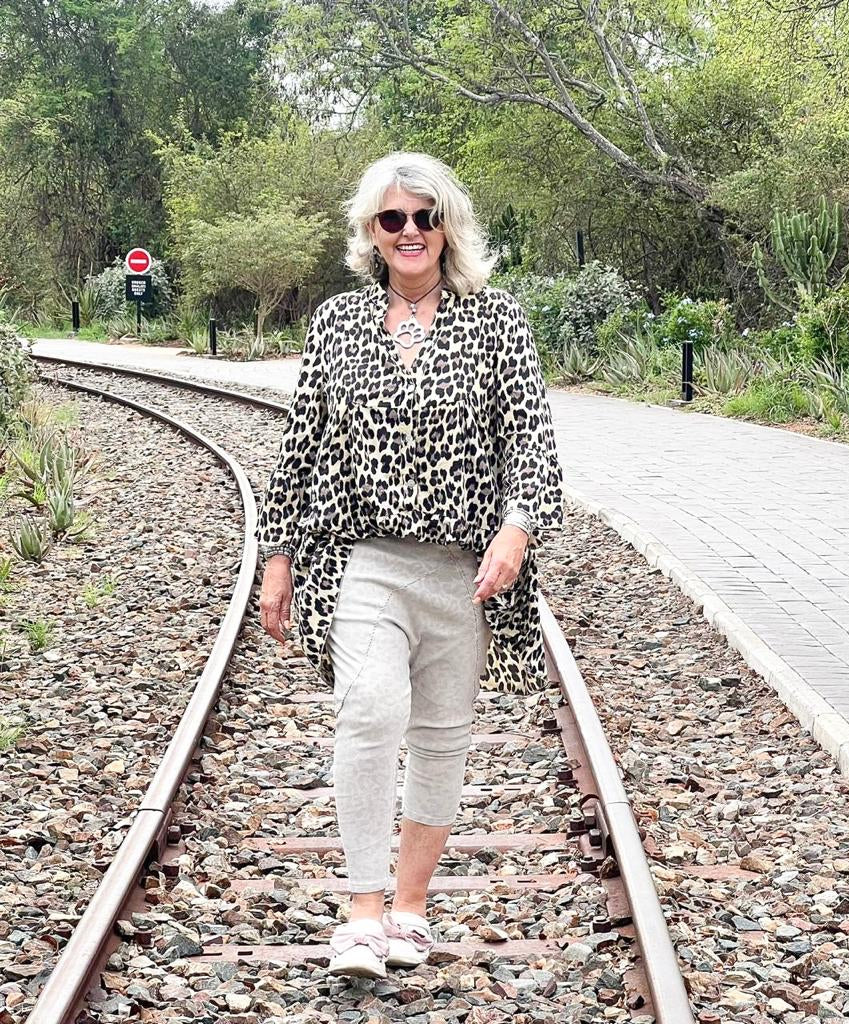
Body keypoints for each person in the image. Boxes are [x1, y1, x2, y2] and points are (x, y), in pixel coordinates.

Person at [254, 151, 564, 980]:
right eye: (394, 218)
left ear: (448, 225)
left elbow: (532, 438)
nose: (411, 232)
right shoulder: (337, 324)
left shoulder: (497, 320)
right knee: (370, 710)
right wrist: (276, 555)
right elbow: (302, 448)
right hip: (366, 560)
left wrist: (517, 529)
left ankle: (411, 910)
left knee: (439, 739)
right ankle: (362, 912)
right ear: (371, 232)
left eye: (425, 216)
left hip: (466, 570)